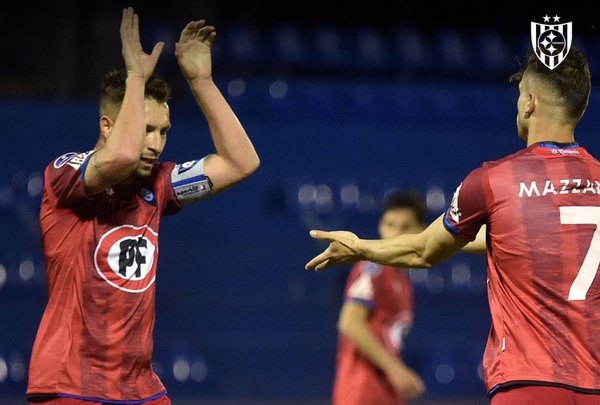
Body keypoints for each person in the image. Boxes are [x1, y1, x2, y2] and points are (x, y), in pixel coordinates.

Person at [306, 45, 600, 405]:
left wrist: (360, 246)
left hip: (529, 386)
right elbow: (507, 237)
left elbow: (423, 250)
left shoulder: (493, 180)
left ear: (530, 103)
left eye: (520, 94)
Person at [27, 7, 259, 405]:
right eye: (145, 129)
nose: (154, 143)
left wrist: (201, 81)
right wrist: (136, 77)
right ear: (107, 126)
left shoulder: (158, 185)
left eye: (163, 132)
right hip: (71, 383)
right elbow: (117, 160)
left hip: (140, 388)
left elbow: (242, 162)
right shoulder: (64, 175)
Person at [333, 190, 427, 405]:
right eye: (390, 225)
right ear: (380, 226)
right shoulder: (372, 268)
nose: (395, 234)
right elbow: (350, 322)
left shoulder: (402, 278)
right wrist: (395, 369)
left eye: (405, 227)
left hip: (385, 393)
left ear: (422, 231)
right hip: (361, 392)